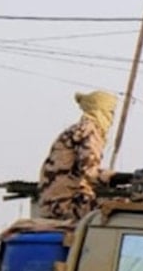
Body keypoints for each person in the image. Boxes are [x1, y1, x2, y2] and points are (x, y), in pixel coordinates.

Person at [36, 90, 119, 221]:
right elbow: (90, 172)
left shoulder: (77, 129)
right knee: (122, 207)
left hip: (53, 203)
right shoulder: (89, 130)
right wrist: (123, 178)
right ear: (100, 110)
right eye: (110, 112)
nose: (112, 119)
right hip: (65, 205)